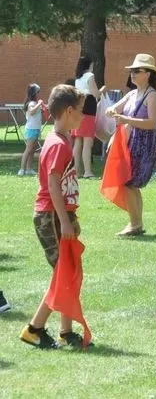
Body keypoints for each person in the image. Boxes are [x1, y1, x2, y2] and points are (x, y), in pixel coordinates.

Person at [19, 84, 87, 349]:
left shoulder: (61, 139)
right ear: (69, 111)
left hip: (59, 215)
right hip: (51, 216)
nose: (83, 116)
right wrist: (65, 220)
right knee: (64, 274)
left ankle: (66, 332)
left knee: (67, 273)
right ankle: (34, 329)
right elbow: (52, 185)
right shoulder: (58, 144)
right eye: (80, 111)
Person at [105, 54, 156, 237]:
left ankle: (135, 224)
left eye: (137, 71)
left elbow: (153, 123)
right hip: (130, 141)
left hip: (143, 143)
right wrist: (111, 110)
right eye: (132, 71)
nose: (133, 74)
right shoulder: (131, 94)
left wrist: (125, 119)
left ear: (148, 74)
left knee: (129, 182)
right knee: (132, 184)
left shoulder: (152, 95)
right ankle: (136, 223)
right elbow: (115, 109)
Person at [72, 56, 102, 179]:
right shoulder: (89, 76)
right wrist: (102, 90)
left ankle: (76, 171)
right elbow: (96, 94)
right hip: (89, 110)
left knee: (78, 142)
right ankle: (88, 172)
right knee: (88, 142)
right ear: (89, 65)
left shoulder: (77, 79)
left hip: (78, 110)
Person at [18, 83, 46, 176]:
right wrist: (39, 104)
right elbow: (31, 111)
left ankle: (29, 168)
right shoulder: (31, 103)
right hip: (31, 129)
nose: (39, 93)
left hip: (36, 129)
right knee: (28, 149)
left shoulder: (35, 103)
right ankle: (22, 169)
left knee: (33, 149)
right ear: (34, 93)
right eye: (38, 92)